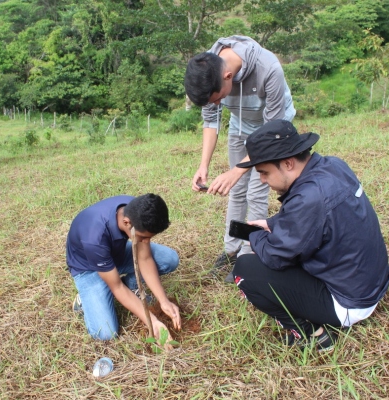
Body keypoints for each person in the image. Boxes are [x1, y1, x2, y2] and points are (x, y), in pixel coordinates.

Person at [231, 120, 389, 352]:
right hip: (372, 284)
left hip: (348, 302)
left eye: (264, 173)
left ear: (287, 163)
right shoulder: (333, 166)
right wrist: (272, 224)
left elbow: (276, 257)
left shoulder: (308, 198)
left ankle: (313, 336)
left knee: (246, 268)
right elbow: (319, 217)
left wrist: (255, 237)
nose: (263, 181)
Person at [183, 35, 296, 281]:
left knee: (256, 190)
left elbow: (272, 130)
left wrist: (237, 170)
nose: (219, 102)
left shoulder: (269, 69)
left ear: (228, 77)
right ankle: (231, 249)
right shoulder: (208, 71)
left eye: (219, 98)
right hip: (240, 125)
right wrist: (204, 166)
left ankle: (249, 252)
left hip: (271, 125)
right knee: (236, 191)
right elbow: (211, 121)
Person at [66, 193, 181, 343]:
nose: (146, 242)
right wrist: (152, 322)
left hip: (114, 252)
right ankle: (84, 300)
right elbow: (117, 287)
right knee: (106, 333)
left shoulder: (136, 209)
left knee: (169, 259)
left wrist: (163, 301)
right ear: (127, 223)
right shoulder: (94, 238)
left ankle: (131, 288)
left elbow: (145, 258)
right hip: (89, 268)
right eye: (142, 237)